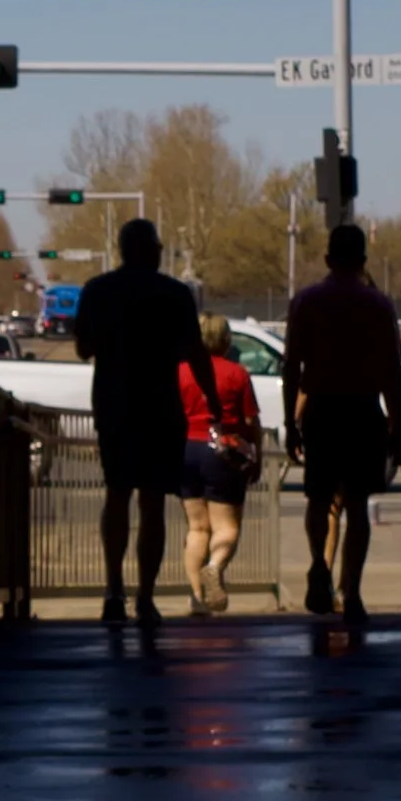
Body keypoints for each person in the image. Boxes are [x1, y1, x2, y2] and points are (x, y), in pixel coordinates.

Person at [71, 220, 219, 626]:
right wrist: (214, 403)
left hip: (114, 406)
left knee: (116, 495)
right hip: (160, 409)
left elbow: (83, 348)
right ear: (152, 250)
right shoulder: (174, 294)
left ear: (121, 249)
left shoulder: (97, 290)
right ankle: (146, 598)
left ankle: (113, 590)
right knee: (152, 504)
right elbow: (196, 354)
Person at [280, 223, 401, 626]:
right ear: (363, 260)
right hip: (363, 410)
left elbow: (291, 367)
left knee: (318, 499)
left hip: (322, 409)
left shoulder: (306, 302)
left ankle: (320, 562)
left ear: (328, 258)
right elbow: (393, 371)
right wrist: (397, 426)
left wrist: (290, 420)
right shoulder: (378, 305)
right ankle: (352, 589)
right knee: (356, 505)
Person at [176, 312, 262, 615]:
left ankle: (198, 598)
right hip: (222, 450)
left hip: (186, 450)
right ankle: (214, 567)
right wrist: (257, 455)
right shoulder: (236, 374)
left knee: (197, 529)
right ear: (227, 340)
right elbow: (251, 420)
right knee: (226, 527)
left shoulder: (181, 371)